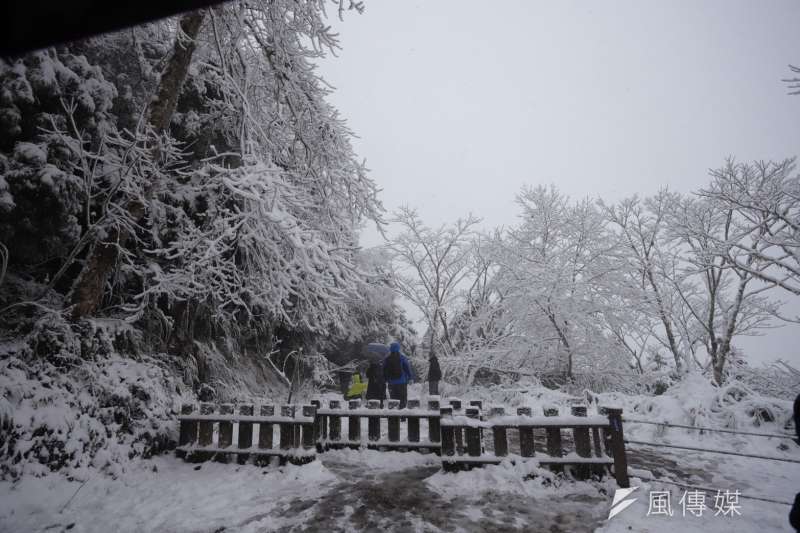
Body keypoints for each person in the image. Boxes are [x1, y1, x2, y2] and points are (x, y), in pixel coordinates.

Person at [383, 341, 413, 409]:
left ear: (390, 349)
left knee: (393, 399)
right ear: (398, 348)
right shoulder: (402, 357)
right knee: (402, 399)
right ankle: (403, 416)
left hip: (391, 383)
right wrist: (410, 377)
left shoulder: (387, 359)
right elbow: (407, 368)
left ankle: (394, 417)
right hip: (402, 382)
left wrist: (385, 379)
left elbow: (383, 370)